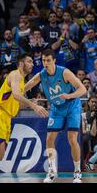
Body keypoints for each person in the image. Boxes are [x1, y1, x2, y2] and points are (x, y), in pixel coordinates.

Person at [24, 49, 87, 183]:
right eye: (43, 61)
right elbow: (26, 87)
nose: (45, 63)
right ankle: (52, 171)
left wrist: (69, 95)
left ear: (54, 61)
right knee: (49, 139)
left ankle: (77, 172)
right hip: (56, 108)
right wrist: (23, 96)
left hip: (72, 106)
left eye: (48, 60)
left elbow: (83, 89)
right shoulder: (41, 75)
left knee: (72, 138)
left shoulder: (64, 72)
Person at [0, 55, 48, 170]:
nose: (32, 64)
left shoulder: (21, 81)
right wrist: (33, 106)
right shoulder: (15, 74)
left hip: (6, 117)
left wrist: (30, 102)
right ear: (21, 63)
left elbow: (17, 103)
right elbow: (16, 94)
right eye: (29, 61)